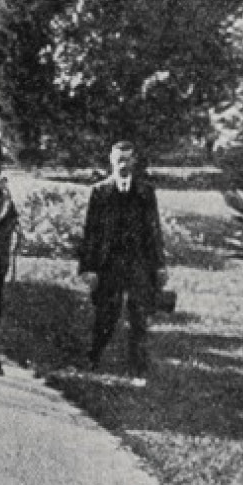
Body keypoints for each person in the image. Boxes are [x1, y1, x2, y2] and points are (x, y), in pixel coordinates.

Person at [77, 141, 167, 377]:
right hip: (109, 264)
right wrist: (88, 267)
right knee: (105, 314)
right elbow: (91, 232)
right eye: (119, 160)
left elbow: (154, 230)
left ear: (134, 161)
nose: (123, 165)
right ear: (111, 162)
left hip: (138, 263)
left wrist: (159, 266)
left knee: (139, 317)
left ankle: (137, 369)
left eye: (127, 159)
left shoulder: (146, 192)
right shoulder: (100, 192)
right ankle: (94, 360)